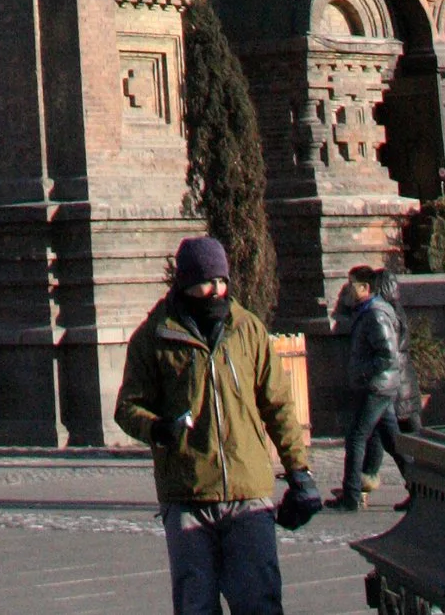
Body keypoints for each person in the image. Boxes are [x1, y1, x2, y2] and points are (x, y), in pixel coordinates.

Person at [115, 236, 321, 615]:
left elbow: (278, 405)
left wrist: (299, 471)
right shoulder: (155, 337)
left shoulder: (248, 329)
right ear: (185, 283)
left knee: (259, 600)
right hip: (188, 494)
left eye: (222, 281)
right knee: (195, 604)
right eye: (207, 282)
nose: (216, 290)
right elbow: (127, 408)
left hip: (248, 491)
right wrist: (158, 428)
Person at [331, 264, 413, 511]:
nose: (347, 289)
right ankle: (422, 490)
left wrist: (364, 372)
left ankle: (351, 495)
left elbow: (387, 355)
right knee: (393, 441)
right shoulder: (365, 311)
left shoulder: (375, 313)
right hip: (381, 386)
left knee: (356, 437)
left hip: (377, 387)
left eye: (352, 284)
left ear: (365, 288)